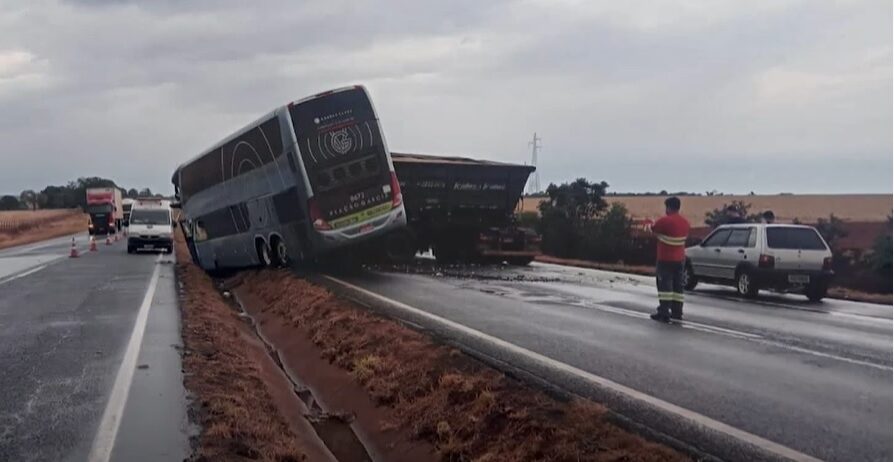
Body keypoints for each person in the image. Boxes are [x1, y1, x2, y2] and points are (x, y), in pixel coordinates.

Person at [650, 197, 691, 323]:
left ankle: (664, 312)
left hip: (665, 259)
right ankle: (677, 312)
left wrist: (649, 223)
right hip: (680, 260)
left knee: (664, 286)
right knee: (678, 287)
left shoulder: (665, 221)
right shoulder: (685, 223)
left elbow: (654, 229)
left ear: (668, 207)